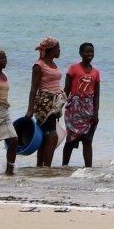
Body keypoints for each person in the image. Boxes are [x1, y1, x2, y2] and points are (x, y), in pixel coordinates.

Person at [59, 43, 100, 168]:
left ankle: (89, 169)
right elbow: (66, 90)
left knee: (87, 141)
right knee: (70, 140)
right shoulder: (73, 69)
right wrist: (59, 107)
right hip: (73, 110)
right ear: (81, 53)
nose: (90, 54)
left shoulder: (96, 72)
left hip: (89, 111)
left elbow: (97, 95)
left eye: (92, 52)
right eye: (87, 52)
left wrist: (96, 113)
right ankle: (64, 167)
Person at [28, 39, 65, 169]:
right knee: (52, 135)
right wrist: (30, 110)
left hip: (54, 103)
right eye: (58, 48)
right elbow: (33, 88)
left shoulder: (53, 64)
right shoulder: (39, 65)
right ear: (51, 49)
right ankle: (46, 168)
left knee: (44, 136)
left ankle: (40, 167)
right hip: (44, 103)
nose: (60, 50)